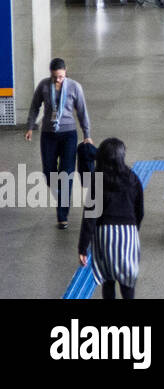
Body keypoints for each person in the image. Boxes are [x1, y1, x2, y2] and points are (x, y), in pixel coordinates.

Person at [25, 58, 93, 228]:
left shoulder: (74, 87)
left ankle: (62, 216)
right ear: (51, 74)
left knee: (66, 172)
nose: (58, 80)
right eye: (55, 77)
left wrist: (87, 134)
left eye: (61, 76)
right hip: (48, 134)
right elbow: (35, 106)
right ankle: (62, 196)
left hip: (68, 134)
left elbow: (82, 111)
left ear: (65, 71)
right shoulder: (43, 86)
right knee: (49, 172)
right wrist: (30, 126)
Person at [77, 138, 144, 299]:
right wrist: (134, 230)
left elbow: (90, 216)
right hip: (128, 234)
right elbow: (139, 211)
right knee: (127, 282)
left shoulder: (97, 179)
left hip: (104, 235)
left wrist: (82, 247)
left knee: (108, 281)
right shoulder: (132, 178)